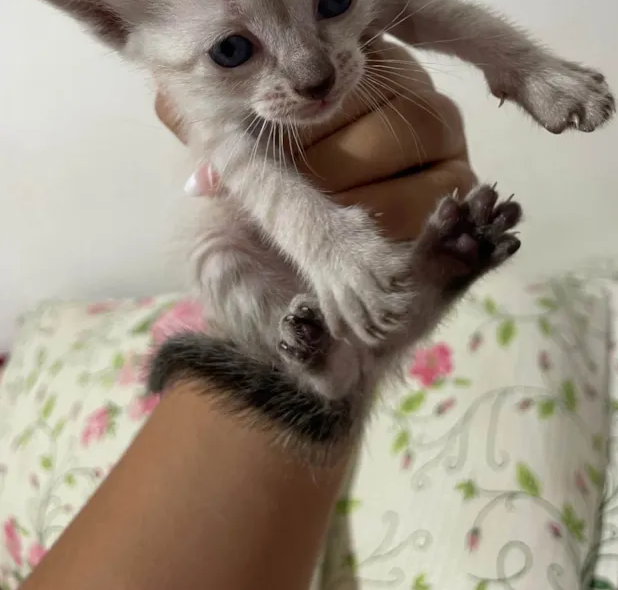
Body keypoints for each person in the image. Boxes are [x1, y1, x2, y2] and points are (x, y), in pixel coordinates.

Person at [24, 48, 476, 590]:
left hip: (308, 348)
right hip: (295, 336)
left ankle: (368, 318)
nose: (306, 68)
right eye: (232, 47)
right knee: (223, 264)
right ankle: (376, 313)